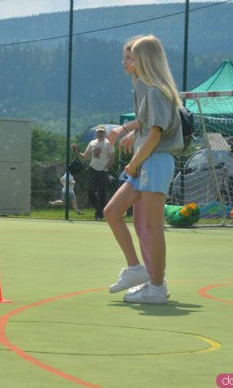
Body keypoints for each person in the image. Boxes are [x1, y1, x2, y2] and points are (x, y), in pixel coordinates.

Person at [103, 35, 184, 304]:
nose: (126, 61)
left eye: (132, 56)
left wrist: (134, 163)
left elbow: (154, 135)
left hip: (154, 161)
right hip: (145, 161)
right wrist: (128, 133)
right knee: (112, 212)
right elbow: (145, 124)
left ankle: (157, 286)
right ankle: (136, 269)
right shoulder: (147, 88)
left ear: (145, 60)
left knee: (152, 227)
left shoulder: (155, 90)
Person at [72, 125, 115, 220]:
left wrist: (107, 168)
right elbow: (85, 155)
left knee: (102, 193)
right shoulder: (92, 143)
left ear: (105, 133)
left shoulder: (109, 143)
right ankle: (100, 210)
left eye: (102, 132)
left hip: (103, 171)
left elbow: (112, 158)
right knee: (90, 192)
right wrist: (76, 151)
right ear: (96, 133)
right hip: (93, 169)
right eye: (98, 132)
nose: (100, 133)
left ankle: (99, 215)